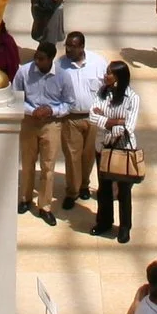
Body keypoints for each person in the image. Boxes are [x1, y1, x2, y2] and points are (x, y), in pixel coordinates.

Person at [14, 41, 72, 222]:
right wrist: (33, 111)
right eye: (36, 57)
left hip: (51, 124)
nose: (36, 62)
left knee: (48, 166)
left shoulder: (63, 76)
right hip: (29, 121)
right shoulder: (24, 71)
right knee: (27, 162)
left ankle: (44, 205)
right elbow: (15, 97)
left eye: (41, 59)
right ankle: (25, 198)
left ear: (50, 59)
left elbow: (69, 103)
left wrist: (52, 111)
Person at [90, 61, 142, 243]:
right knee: (103, 188)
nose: (106, 76)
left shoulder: (132, 98)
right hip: (102, 148)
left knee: (124, 191)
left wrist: (108, 123)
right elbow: (92, 116)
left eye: (110, 73)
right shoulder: (102, 93)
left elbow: (129, 125)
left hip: (122, 149)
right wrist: (114, 122)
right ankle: (104, 221)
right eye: (106, 72)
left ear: (119, 76)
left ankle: (125, 227)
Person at [57, 29, 109, 207]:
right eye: (67, 46)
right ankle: (72, 191)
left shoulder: (98, 63)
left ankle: (84, 185)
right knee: (72, 156)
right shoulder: (60, 66)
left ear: (82, 47)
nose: (68, 50)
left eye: (72, 47)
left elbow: (107, 87)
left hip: (93, 118)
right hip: (70, 118)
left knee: (88, 156)